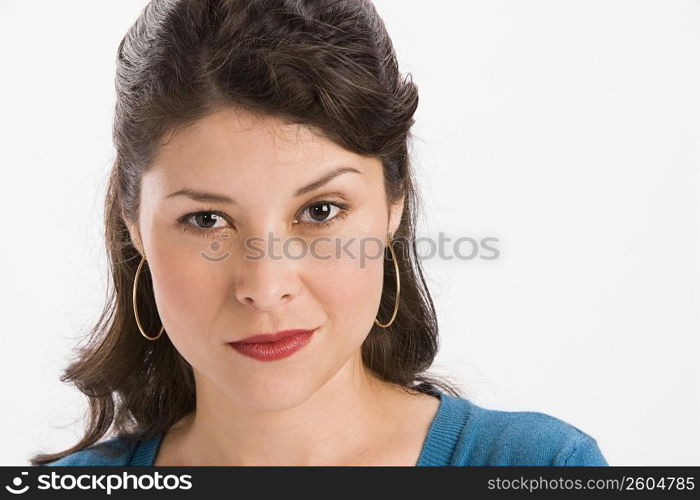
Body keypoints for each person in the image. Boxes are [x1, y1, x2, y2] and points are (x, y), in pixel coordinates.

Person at [32, 0, 607, 466]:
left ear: (392, 208)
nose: (265, 284)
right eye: (207, 221)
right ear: (135, 225)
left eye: (321, 211)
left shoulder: (543, 468)